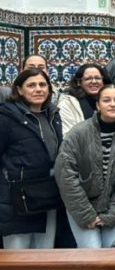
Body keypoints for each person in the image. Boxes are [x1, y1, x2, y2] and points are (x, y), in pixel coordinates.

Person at [54, 85, 115, 248]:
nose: (112, 104)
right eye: (106, 100)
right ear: (98, 105)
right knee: (92, 252)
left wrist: (112, 214)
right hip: (81, 206)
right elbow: (65, 175)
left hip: (114, 208)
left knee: (113, 251)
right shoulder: (78, 133)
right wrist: (87, 214)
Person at [0, 69, 62, 249]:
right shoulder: (6, 117)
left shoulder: (53, 115)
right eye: (31, 85)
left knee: (44, 254)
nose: (38, 89)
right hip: (16, 199)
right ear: (19, 90)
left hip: (47, 195)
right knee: (17, 256)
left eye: (43, 84)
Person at [58, 63, 112, 133]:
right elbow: (68, 134)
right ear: (79, 82)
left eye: (97, 78)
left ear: (103, 81)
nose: (94, 81)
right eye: (88, 79)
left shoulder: (112, 102)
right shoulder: (68, 104)